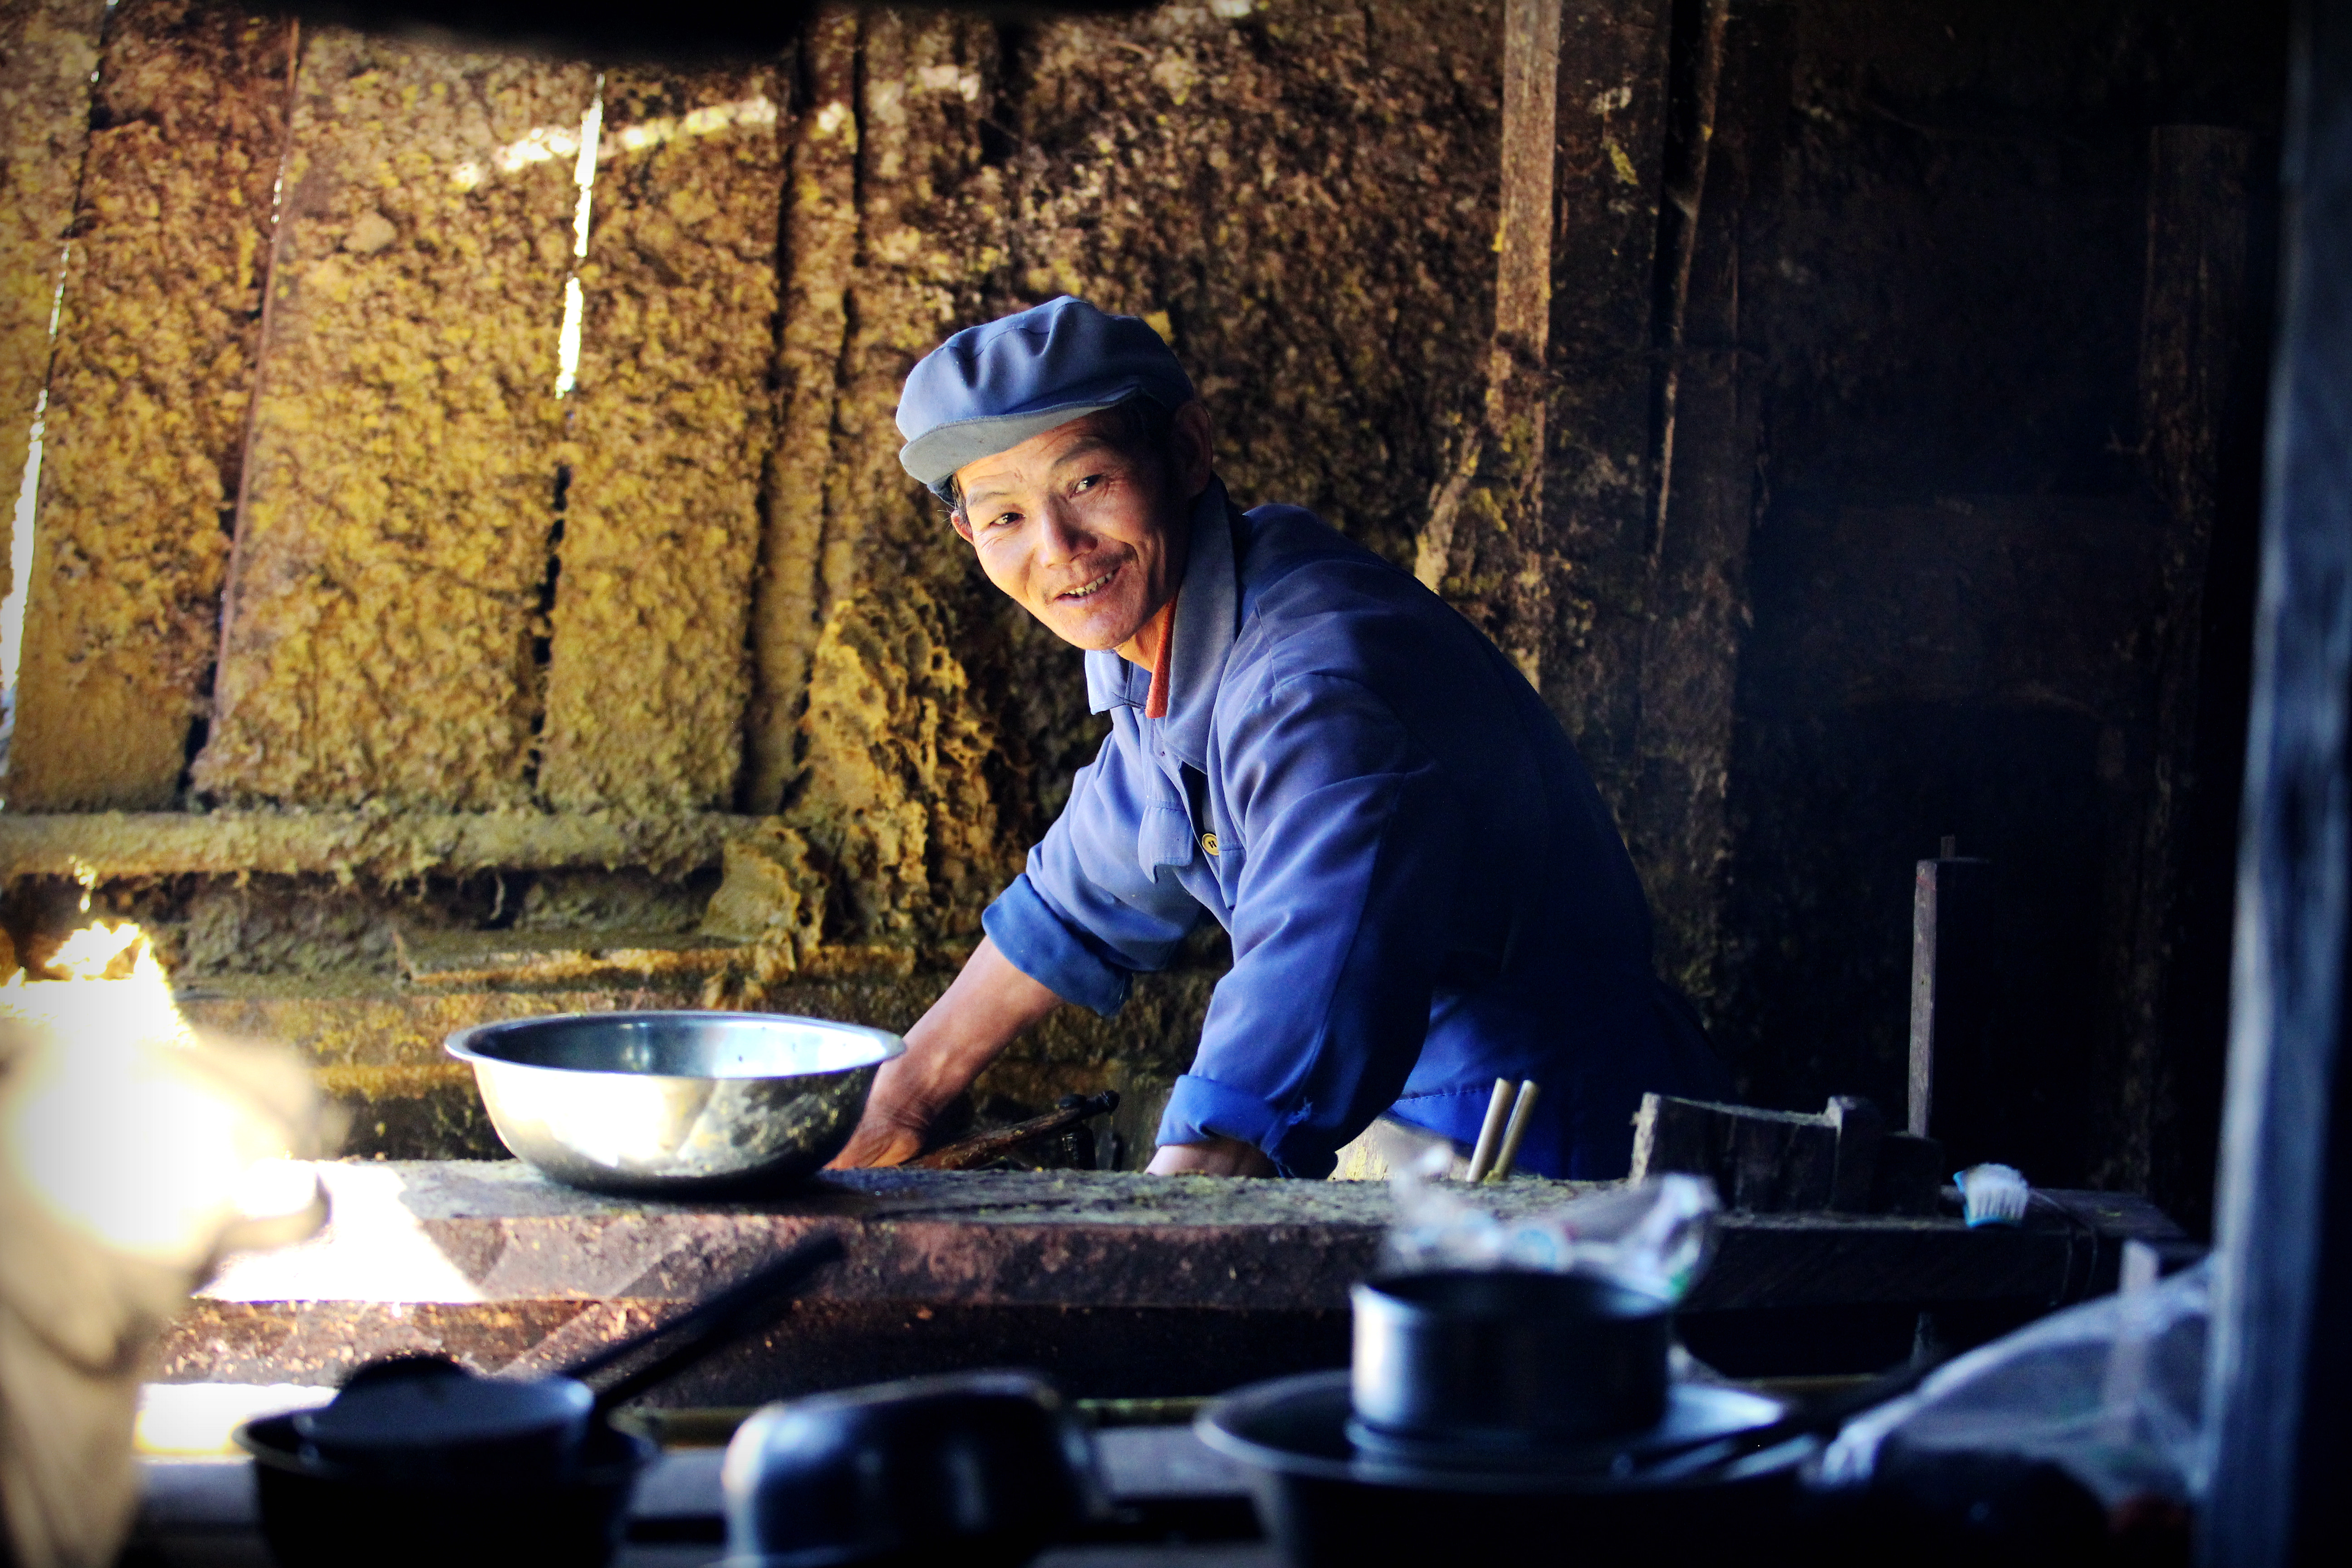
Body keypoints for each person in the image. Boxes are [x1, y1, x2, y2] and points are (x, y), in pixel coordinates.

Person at [829, 297, 1727, 1180]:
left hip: (1541, 1128)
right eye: (1006, 517)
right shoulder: (1178, 640)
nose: (1059, 547)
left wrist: (1159, 1232)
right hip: (1423, 1111)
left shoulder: (1309, 682)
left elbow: (1309, 992)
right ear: (968, 533)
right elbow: (1081, 890)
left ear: (1188, 451)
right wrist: (901, 1097)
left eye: (1088, 482)